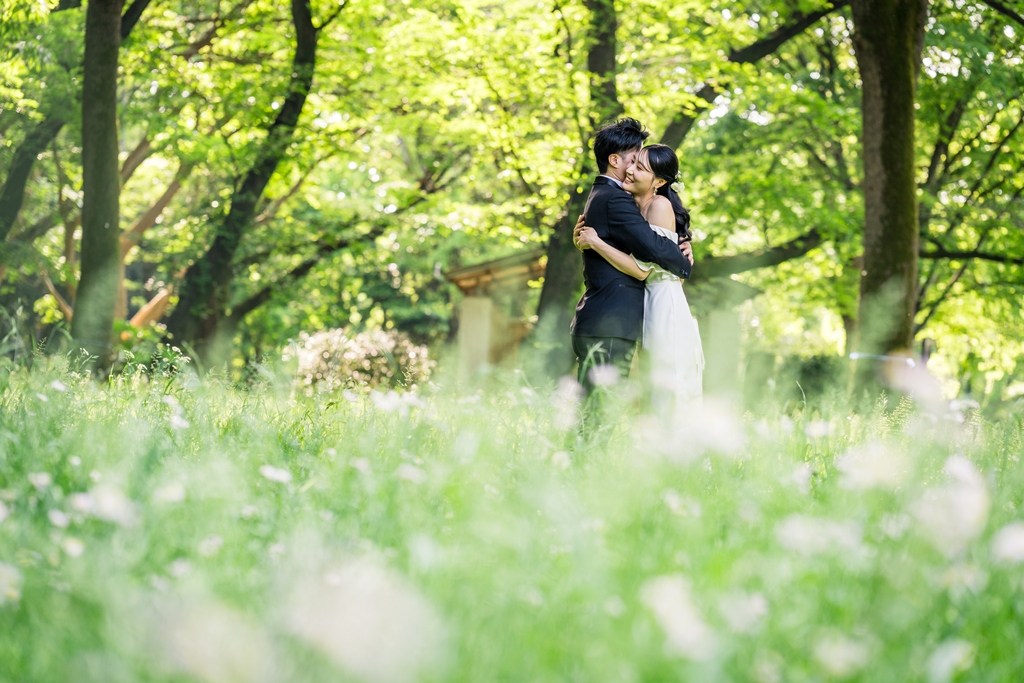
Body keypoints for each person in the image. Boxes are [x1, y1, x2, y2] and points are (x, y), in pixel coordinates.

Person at [568, 119, 694, 401]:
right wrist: (683, 263)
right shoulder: (614, 198)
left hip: (613, 319)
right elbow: (652, 249)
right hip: (609, 322)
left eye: (641, 165)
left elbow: (648, 242)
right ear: (615, 160)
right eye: (633, 160)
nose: (634, 168)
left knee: (598, 410)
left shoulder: (609, 195)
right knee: (600, 412)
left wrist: (681, 240)